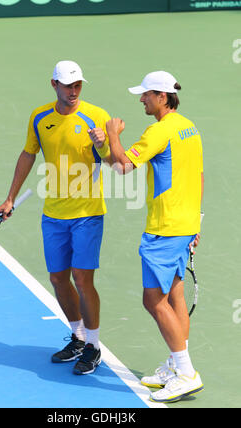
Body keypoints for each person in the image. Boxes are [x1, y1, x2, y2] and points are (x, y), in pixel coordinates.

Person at [0, 60, 111, 375]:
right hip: (54, 214)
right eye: (67, 85)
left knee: (82, 278)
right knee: (58, 279)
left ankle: (94, 346)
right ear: (54, 85)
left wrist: (102, 143)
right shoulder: (40, 117)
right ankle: (77, 336)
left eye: (78, 85)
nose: (73, 91)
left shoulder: (96, 116)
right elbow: (28, 153)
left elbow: (114, 159)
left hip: (88, 213)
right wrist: (10, 197)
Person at [105, 71, 204, 403]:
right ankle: (177, 366)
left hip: (163, 230)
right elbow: (200, 175)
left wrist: (112, 134)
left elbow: (121, 166)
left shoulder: (158, 131)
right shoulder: (190, 127)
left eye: (146, 94)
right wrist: (197, 223)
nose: (141, 99)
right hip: (186, 224)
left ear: (163, 97)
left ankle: (187, 372)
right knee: (176, 296)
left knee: (153, 301)